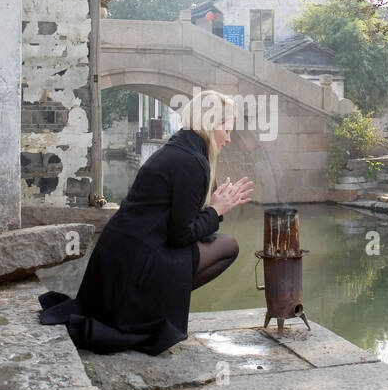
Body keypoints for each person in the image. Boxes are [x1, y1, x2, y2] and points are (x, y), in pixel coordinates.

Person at [37, 90, 254, 356]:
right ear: (210, 123)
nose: (229, 139)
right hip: (136, 265)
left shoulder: (177, 149)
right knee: (227, 246)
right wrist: (217, 210)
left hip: (117, 261)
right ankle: (150, 311)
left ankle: (149, 304)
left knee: (207, 240)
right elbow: (180, 235)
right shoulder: (192, 162)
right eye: (226, 129)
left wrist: (212, 210)